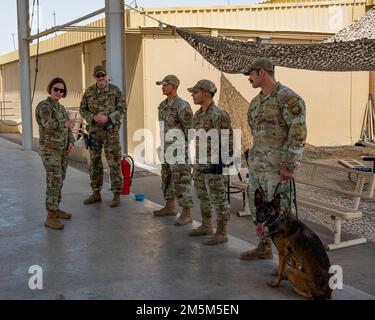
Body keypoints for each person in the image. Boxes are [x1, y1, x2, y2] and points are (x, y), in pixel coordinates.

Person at [240, 58, 307, 260]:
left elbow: (298, 135)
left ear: (262, 73)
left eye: (251, 74)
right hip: (258, 169)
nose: (249, 78)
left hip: (278, 170)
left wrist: (289, 165)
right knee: (257, 209)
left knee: (282, 214)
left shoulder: (288, 99)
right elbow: (256, 134)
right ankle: (264, 246)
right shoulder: (254, 103)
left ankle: (289, 259)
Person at [188, 80, 232, 245]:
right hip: (200, 163)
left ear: (206, 93)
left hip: (214, 164)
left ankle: (222, 231)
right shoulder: (197, 114)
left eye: (195, 92)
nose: (192, 94)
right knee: (203, 195)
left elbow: (228, 141)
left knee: (218, 197)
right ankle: (206, 225)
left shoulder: (219, 115)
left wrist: (221, 163)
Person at [80, 65, 126, 207]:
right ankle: (96, 193)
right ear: (94, 77)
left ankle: (116, 194)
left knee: (114, 162)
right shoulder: (89, 92)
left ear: (106, 76)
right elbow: (82, 109)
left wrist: (109, 117)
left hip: (110, 133)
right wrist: (93, 117)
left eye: (103, 75)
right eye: (98, 76)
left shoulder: (115, 91)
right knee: (94, 163)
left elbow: (122, 108)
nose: (100, 78)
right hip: (94, 133)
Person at [153, 75, 195, 226]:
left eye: (165, 84)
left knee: (182, 180)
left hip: (177, 150)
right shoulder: (162, 105)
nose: (162, 87)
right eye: (162, 85)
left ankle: (186, 213)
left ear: (174, 87)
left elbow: (190, 130)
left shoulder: (182, 106)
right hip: (165, 148)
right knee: (167, 177)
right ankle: (170, 206)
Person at [35, 77, 75, 230]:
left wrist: (71, 141)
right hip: (50, 150)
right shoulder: (44, 106)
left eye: (61, 90)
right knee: (54, 180)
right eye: (56, 89)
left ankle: (55, 208)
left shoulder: (61, 108)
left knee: (60, 179)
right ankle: (50, 216)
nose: (59, 92)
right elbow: (46, 123)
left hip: (62, 150)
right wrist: (62, 123)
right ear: (50, 89)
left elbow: (69, 128)